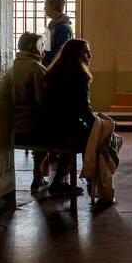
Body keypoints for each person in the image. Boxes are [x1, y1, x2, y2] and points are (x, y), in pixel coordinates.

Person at [40, 38, 95, 197]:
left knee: (79, 131)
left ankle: (60, 181)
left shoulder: (53, 72)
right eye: (86, 52)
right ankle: (92, 179)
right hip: (64, 128)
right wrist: (95, 125)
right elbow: (82, 107)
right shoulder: (79, 75)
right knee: (92, 136)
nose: (90, 56)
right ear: (76, 54)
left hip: (47, 126)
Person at [12, 32, 49, 192]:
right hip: (31, 126)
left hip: (12, 125)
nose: (44, 50)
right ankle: (39, 176)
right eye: (41, 45)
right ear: (32, 47)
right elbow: (43, 101)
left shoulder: (12, 65)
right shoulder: (36, 68)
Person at [42, 0, 74, 67]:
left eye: (46, 5)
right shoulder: (54, 25)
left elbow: (61, 52)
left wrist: (41, 56)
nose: (44, 8)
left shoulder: (63, 28)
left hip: (56, 68)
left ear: (53, 6)